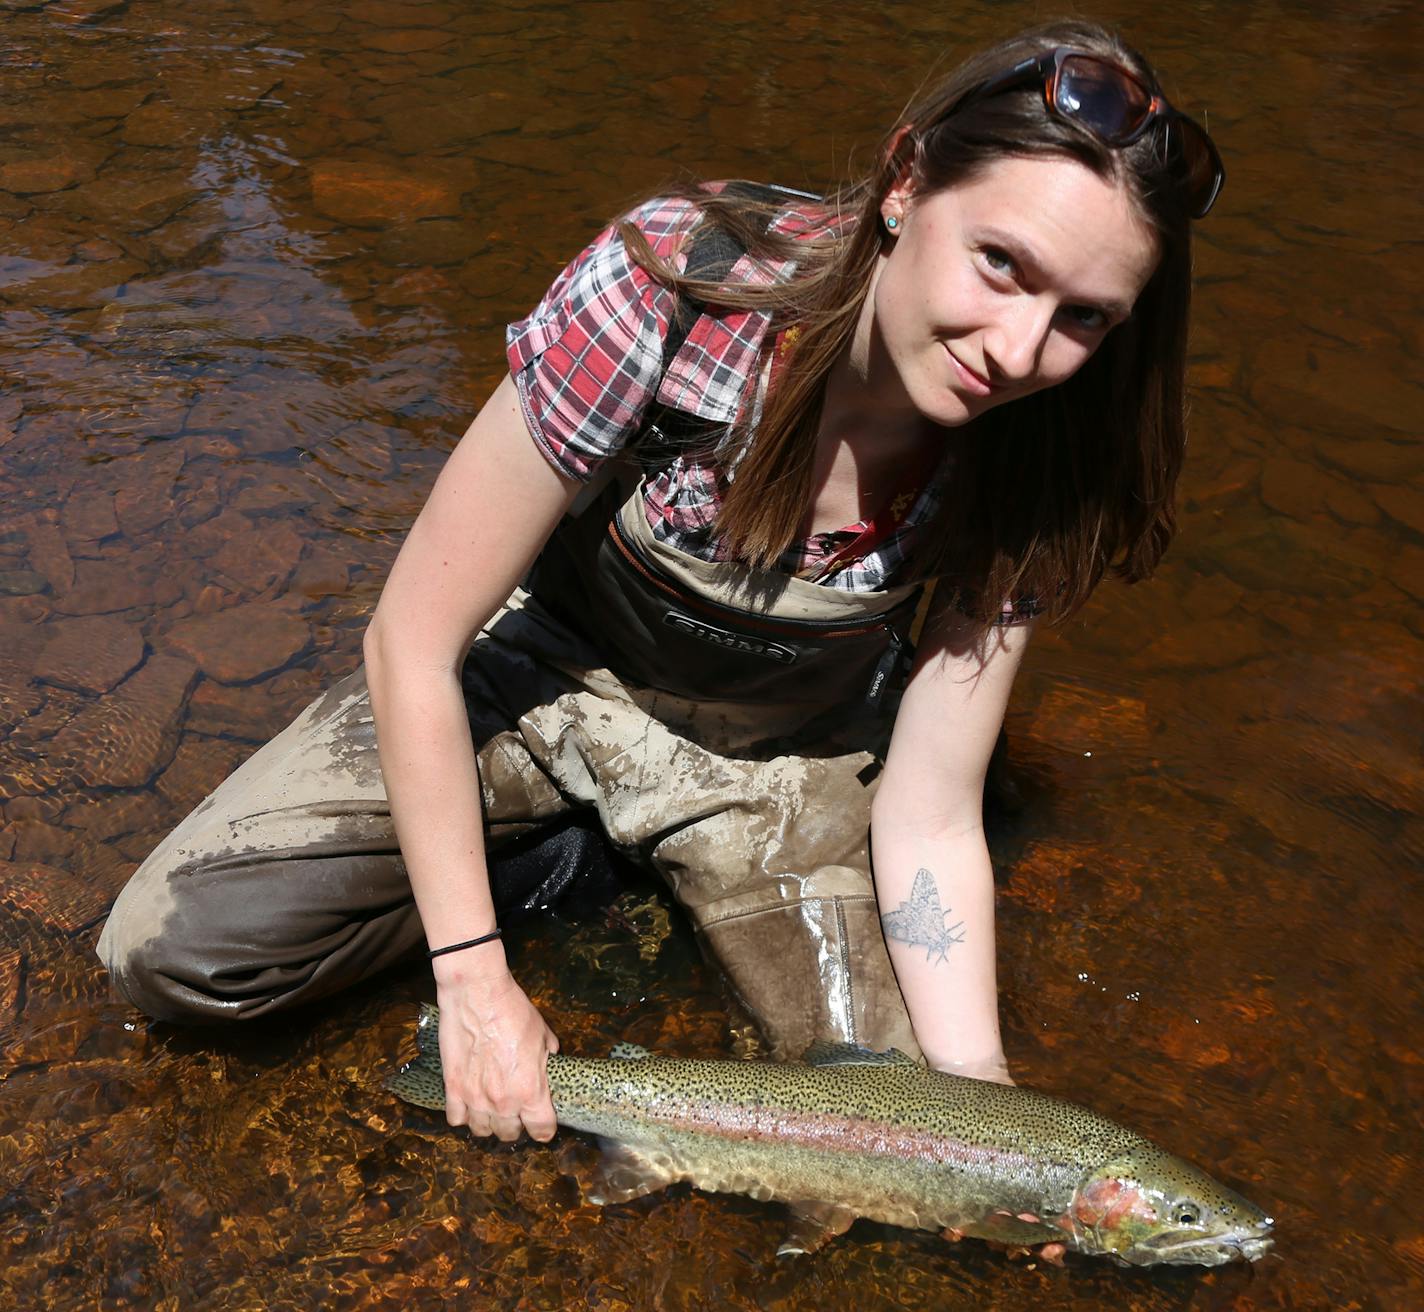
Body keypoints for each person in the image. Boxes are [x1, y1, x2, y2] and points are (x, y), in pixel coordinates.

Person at [97, 21, 1222, 1147]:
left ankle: (619, 862)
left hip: (776, 775)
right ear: (904, 179)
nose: (1018, 352)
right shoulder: (675, 287)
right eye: (999, 262)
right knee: (176, 951)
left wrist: (979, 1095)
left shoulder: (1053, 451)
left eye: (1081, 317)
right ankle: (567, 857)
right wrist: (473, 979)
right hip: (543, 687)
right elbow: (413, 643)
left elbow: (928, 809)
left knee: (886, 1144)